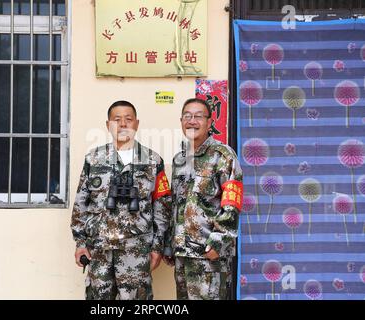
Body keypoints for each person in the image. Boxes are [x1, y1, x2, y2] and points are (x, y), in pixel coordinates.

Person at [71, 100, 172, 300]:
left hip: (136, 250)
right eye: (117, 120)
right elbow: (81, 203)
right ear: (108, 125)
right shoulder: (94, 159)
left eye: (128, 119)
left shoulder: (153, 161)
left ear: (137, 124)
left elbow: (162, 206)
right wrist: (80, 242)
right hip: (99, 249)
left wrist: (157, 246)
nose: (123, 124)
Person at [163, 98, 243, 300]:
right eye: (187, 116)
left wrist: (219, 242)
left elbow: (232, 202)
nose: (192, 121)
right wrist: (170, 244)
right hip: (182, 254)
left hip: (209, 255)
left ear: (209, 122)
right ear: (181, 120)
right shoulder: (179, 159)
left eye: (198, 116)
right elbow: (176, 204)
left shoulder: (223, 155)